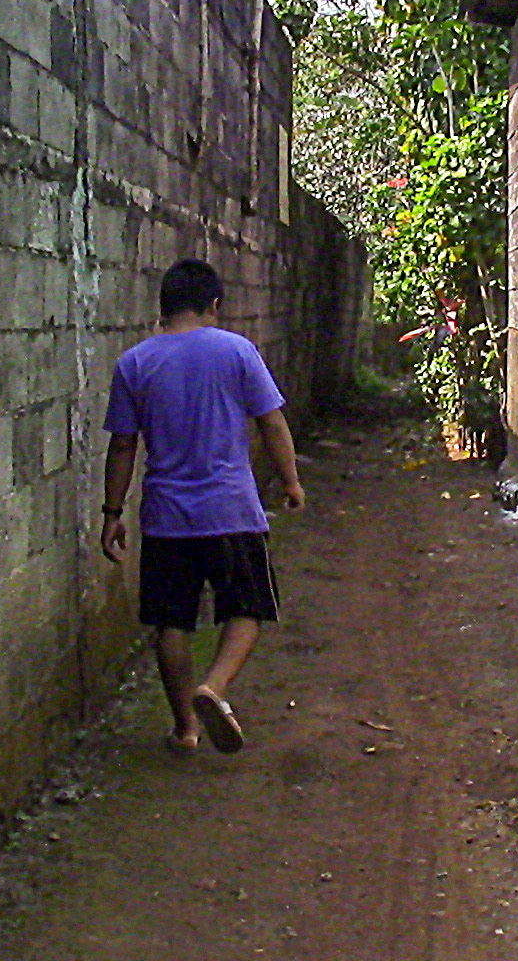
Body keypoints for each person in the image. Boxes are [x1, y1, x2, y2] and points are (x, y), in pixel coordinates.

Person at [100, 258, 306, 754]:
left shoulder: (135, 363)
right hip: (231, 510)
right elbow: (272, 424)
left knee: (171, 622)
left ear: (163, 306)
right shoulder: (238, 351)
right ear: (214, 304)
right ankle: (214, 687)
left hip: (167, 516)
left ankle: (186, 729)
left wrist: (111, 514)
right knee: (249, 607)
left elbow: (123, 446)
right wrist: (291, 481)